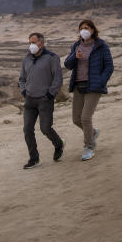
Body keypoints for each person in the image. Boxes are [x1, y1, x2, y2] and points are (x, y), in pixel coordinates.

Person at [64, 19, 114, 161]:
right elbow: (67, 64)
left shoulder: (101, 45)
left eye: (86, 27)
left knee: (86, 118)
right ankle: (92, 132)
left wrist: (101, 81)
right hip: (78, 85)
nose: (83, 30)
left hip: (94, 86)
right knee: (76, 119)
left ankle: (89, 147)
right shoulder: (76, 45)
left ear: (92, 30)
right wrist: (75, 56)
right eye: (81, 28)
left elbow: (109, 67)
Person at [18, 32, 64, 169]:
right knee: (27, 129)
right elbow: (21, 79)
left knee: (45, 128)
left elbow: (58, 78)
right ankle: (34, 158)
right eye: (29, 43)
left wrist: (50, 95)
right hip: (29, 101)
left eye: (33, 42)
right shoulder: (26, 59)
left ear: (41, 43)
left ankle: (59, 144)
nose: (31, 45)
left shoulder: (52, 58)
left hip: (45, 100)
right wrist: (24, 91)